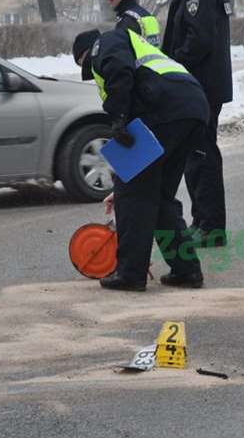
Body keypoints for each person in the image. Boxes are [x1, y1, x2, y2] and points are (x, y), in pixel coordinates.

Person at [71, 27, 209, 291]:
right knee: (160, 197)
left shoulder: (105, 43)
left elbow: (117, 68)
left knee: (133, 194)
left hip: (163, 110)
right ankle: (186, 270)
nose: (89, 69)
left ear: (86, 53)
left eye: (84, 64)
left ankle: (130, 274)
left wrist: (119, 117)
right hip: (191, 109)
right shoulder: (132, 43)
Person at [163, 0, 233, 247]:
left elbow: (198, 40)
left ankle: (211, 227)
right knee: (198, 155)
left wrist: (172, 65)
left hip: (200, 87)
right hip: (202, 86)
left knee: (201, 157)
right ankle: (203, 221)